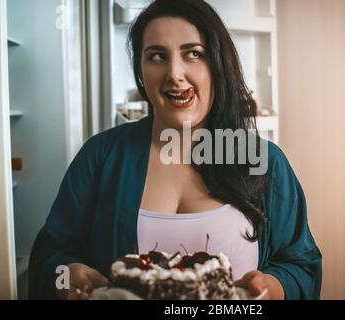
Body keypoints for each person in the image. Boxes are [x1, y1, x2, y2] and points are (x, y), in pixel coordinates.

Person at [28, 0, 322, 300]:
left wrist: (274, 288)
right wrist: (65, 276)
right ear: (141, 70)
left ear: (218, 65)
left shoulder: (265, 162)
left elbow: (303, 265)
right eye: (157, 56)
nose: (175, 73)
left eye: (193, 54)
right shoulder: (100, 156)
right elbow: (48, 257)